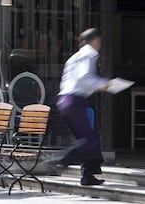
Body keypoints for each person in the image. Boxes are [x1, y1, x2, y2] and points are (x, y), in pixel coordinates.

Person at [53, 28, 110, 186]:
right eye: (100, 40)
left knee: (88, 138)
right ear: (96, 40)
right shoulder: (90, 53)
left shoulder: (74, 57)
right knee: (88, 140)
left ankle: (88, 175)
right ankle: (60, 161)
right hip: (75, 100)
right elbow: (86, 77)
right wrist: (104, 85)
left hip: (66, 99)